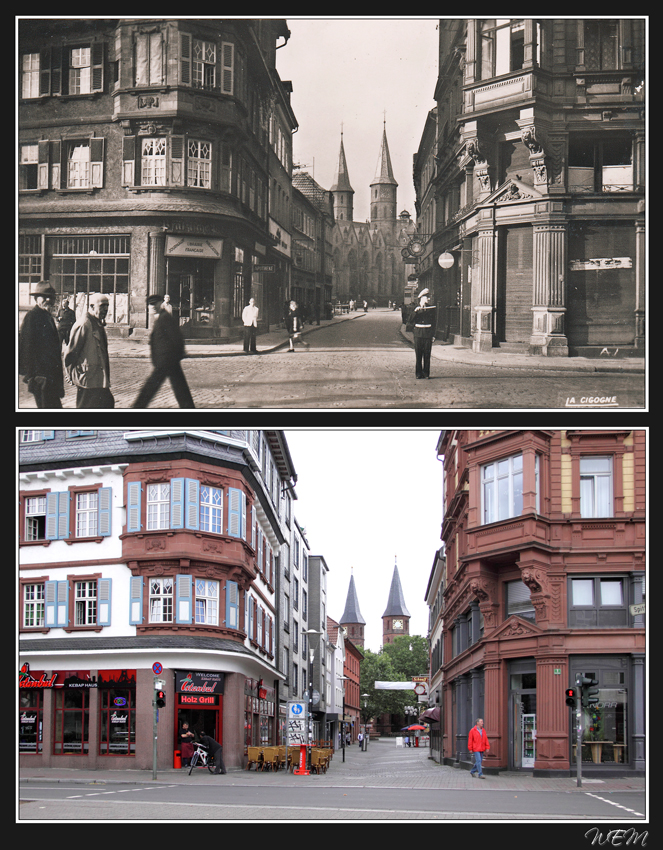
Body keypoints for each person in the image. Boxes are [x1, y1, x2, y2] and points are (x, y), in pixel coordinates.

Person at [132, 294, 195, 408]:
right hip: (169, 360)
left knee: (151, 387)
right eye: (150, 305)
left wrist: (178, 353)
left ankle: (137, 407)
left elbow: (176, 337)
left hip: (166, 360)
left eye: (154, 304)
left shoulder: (165, 318)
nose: (152, 307)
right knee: (180, 388)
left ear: (160, 304)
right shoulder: (160, 317)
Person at [19, 281, 65, 408]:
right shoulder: (32, 317)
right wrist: (32, 376)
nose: (48, 300)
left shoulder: (47, 316)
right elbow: (25, 347)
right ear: (36, 299)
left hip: (51, 378)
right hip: (42, 378)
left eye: (51, 297)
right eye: (44, 297)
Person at [64, 293, 114, 408]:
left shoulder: (97, 323)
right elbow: (71, 352)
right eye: (102, 306)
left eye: (107, 305)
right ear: (92, 307)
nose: (105, 309)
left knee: (107, 404)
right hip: (88, 380)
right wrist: (69, 373)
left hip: (99, 378)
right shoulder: (84, 324)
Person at [406, 288, 437, 379]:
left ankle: (426, 373)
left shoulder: (431, 308)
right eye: (426, 298)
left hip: (428, 334)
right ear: (421, 298)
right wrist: (416, 311)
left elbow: (434, 323)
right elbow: (409, 320)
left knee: (427, 355)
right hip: (418, 334)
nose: (428, 299)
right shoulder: (414, 308)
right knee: (418, 355)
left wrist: (433, 335)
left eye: (428, 298)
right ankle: (418, 373)